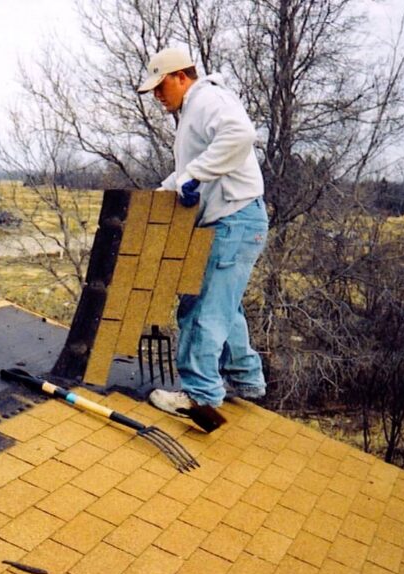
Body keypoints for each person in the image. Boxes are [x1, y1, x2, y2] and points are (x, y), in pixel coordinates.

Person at [137, 46, 268, 432]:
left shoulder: (207, 98)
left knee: (200, 308)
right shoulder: (192, 109)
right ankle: (245, 378)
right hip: (236, 220)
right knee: (223, 305)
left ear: (181, 77)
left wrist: (196, 175)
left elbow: (242, 134)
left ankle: (200, 395)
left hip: (233, 220)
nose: (158, 97)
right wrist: (169, 188)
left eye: (161, 87)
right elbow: (191, 169)